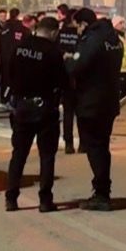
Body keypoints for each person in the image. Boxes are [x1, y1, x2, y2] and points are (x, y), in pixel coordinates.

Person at [5, 16, 69, 213]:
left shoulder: (20, 46)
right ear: (52, 32)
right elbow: (63, 81)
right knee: (47, 156)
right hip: (45, 109)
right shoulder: (52, 51)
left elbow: (8, 72)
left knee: (19, 155)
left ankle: (11, 198)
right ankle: (45, 200)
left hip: (22, 107)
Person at [67, 7, 124, 211]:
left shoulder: (92, 40)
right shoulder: (113, 38)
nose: (77, 31)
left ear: (83, 24)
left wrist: (68, 61)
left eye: (77, 27)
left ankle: (101, 194)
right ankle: (103, 190)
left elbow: (76, 66)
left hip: (91, 101)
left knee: (95, 147)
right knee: (102, 145)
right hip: (109, 100)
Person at [56, 8, 81, 154]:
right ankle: (82, 143)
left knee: (68, 112)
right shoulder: (81, 35)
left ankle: (68, 143)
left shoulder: (61, 33)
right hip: (78, 76)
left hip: (65, 76)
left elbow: (57, 50)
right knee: (80, 111)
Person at [111, 15, 126, 100]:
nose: (123, 25)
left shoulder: (125, 37)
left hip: (125, 69)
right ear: (115, 25)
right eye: (120, 23)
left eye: (123, 23)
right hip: (118, 69)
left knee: (125, 92)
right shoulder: (114, 37)